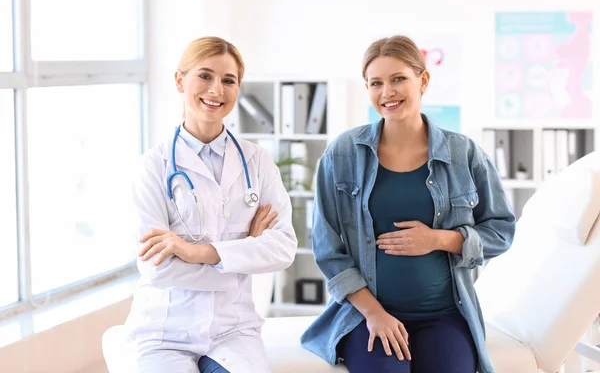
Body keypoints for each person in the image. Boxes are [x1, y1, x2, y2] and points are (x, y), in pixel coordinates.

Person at [300, 35, 516, 373]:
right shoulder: (342, 154)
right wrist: (374, 314)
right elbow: (328, 249)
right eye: (376, 83)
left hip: (444, 315)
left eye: (398, 78)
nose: (387, 92)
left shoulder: (464, 154)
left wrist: (439, 239)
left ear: (423, 80)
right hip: (367, 315)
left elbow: (501, 229)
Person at [123, 36, 297, 373]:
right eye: (205, 76)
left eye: (228, 80)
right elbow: (157, 268)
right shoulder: (153, 166)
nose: (216, 89)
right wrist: (244, 253)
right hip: (165, 330)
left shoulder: (256, 161)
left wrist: (199, 253)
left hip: (233, 329)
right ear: (180, 80)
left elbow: (284, 248)